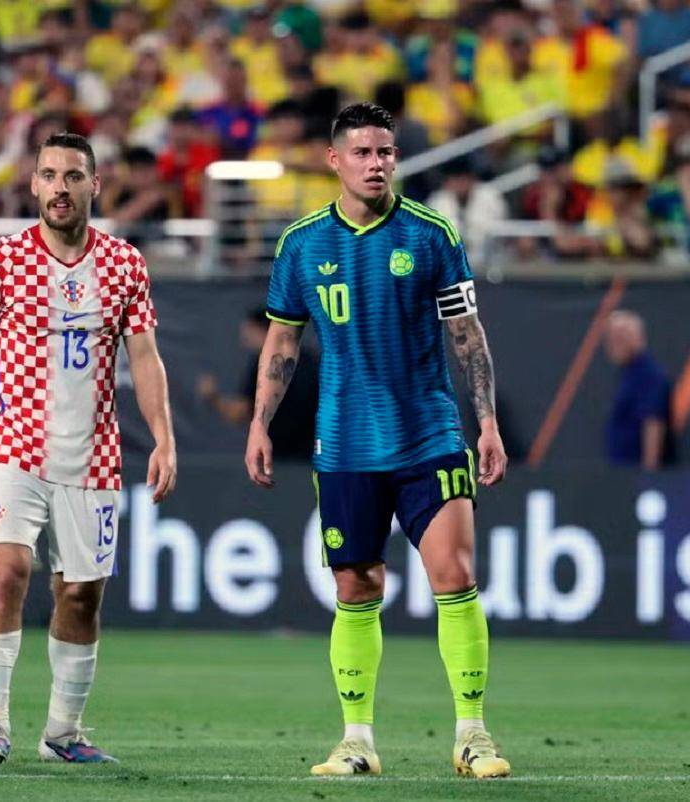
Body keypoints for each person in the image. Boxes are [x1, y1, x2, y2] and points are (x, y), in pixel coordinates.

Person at [245, 103, 510, 779]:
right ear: (334, 160)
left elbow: (466, 335)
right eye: (362, 153)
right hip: (345, 444)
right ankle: (356, 741)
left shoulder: (430, 234)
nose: (376, 164)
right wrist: (260, 422)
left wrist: (486, 422)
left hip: (429, 435)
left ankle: (473, 735)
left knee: (455, 574)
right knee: (356, 586)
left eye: (385, 152)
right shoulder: (302, 243)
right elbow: (283, 342)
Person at [0, 132, 176, 765]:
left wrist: (164, 438)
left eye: (73, 176)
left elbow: (145, 358)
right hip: (13, 448)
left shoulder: (125, 265)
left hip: (93, 458)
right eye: (49, 175)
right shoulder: (0, 263)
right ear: (33, 185)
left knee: (80, 596)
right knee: (6, 573)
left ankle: (62, 734)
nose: (60, 187)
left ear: (94, 185)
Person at [198, 307, 318, 460]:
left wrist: (213, 397)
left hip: (281, 456)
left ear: (261, 330)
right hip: (313, 456)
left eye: (248, 330)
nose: (244, 336)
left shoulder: (264, 363)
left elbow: (240, 413)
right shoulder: (309, 360)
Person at [604, 310, 675, 470]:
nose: (613, 345)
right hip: (623, 471)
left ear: (638, 338)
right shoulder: (627, 375)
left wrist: (648, 472)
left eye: (620, 338)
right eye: (610, 339)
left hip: (637, 473)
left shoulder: (648, 375)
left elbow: (652, 422)